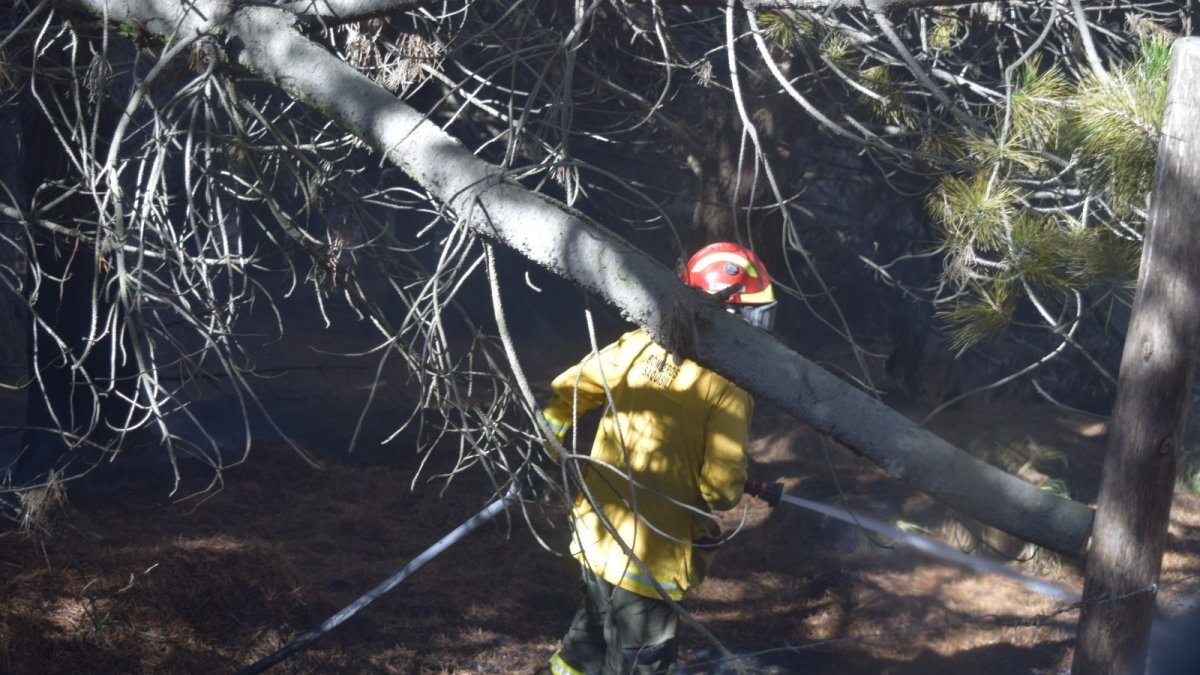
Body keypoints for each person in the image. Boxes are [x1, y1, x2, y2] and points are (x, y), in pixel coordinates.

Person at [541, 242, 778, 675]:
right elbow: (721, 489)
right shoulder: (729, 387)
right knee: (639, 664)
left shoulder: (639, 345)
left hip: (596, 535)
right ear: (726, 316)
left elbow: (570, 389)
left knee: (587, 645)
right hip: (652, 558)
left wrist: (549, 448)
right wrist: (725, 481)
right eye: (753, 317)